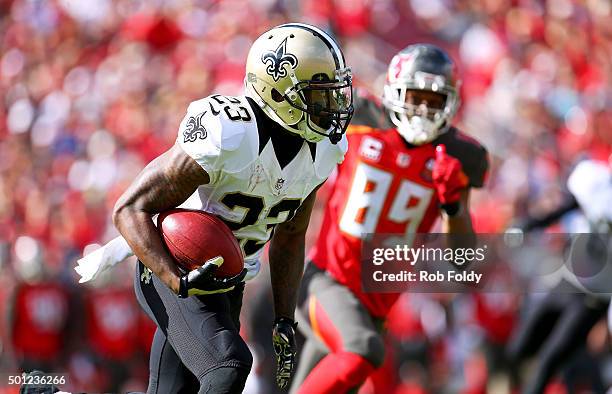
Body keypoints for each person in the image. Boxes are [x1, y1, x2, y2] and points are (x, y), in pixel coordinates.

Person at [83, 23, 353, 393]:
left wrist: (284, 318)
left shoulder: (323, 151)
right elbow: (129, 209)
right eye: (318, 97)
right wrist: (177, 280)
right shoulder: (231, 131)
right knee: (229, 366)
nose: (332, 108)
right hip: (174, 266)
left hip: (229, 278)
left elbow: (290, 234)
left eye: (333, 95)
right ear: (278, 90)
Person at [289, 44, 489, 393]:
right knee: (362, 351)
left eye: (435, 101)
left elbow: (463, 261)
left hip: (374, 309)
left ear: (451, 104)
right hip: (328, 281)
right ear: (395, 89)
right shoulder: (360, 118)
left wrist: (453, 204)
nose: (423, 110)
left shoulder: (459, 156)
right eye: (415, 96)